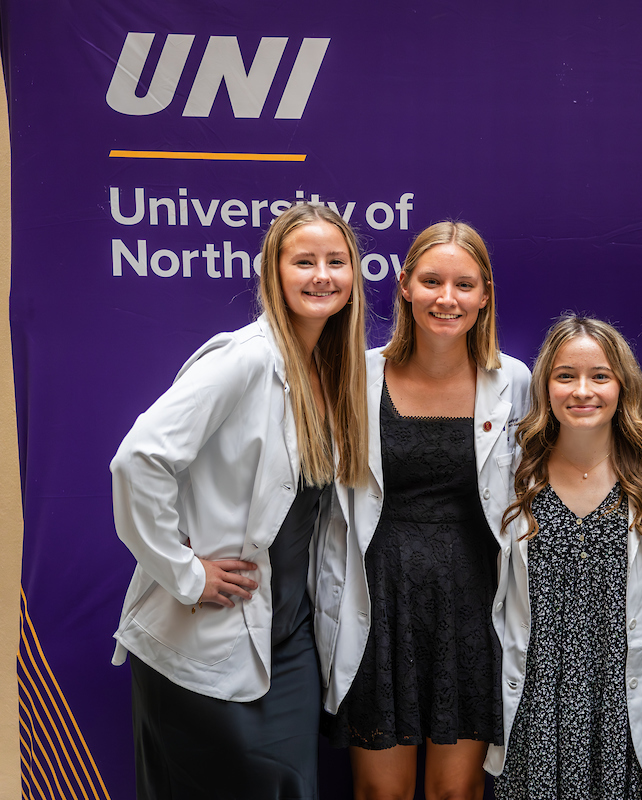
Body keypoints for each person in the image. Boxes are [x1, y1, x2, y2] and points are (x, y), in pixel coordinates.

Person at [110, 202, 370, 800]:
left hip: (290, 641)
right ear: (273, 273)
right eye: (303, 262)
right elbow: (138, 459)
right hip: (205, 635)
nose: (321, 276)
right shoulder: (245, 357)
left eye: (336, 261)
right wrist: (184, 572)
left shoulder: (334, 372)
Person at [324, 221, 530, 800]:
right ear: (405, 285)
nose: (447, 298)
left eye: (464, 285)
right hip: (378, 603)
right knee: (379, 795)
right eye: (432, 280)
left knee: (454, 794)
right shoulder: (356, 377)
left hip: (470, 605)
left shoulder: (513, 381)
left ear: (485, 293)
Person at [488, 316, 642, 800]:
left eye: (600, 376)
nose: (582, 390)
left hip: (624, 705)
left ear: (622, 385)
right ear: (545, 386)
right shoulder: (513, 472)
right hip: (537, 707)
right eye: (565, 375)